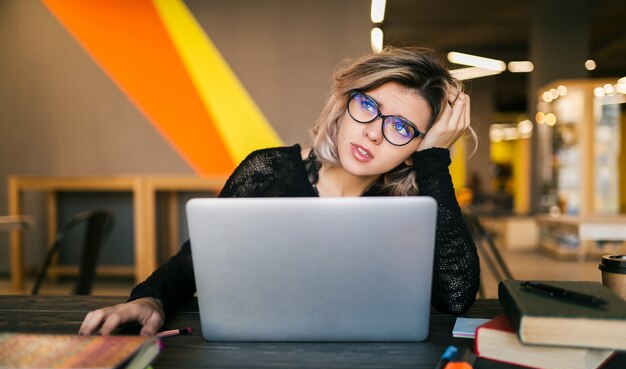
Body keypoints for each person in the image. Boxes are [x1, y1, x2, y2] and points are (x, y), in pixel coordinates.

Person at [79, 46, 480, 336]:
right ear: (345, 105)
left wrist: (435, 162)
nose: (374, 132)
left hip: (377, 365)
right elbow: (193, 262)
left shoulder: (412, 207)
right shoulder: (268, 170)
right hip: (254, 353)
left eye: (401, 128)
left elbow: (456, 299)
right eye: (368, 106)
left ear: (415, 151)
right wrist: (151, 299)